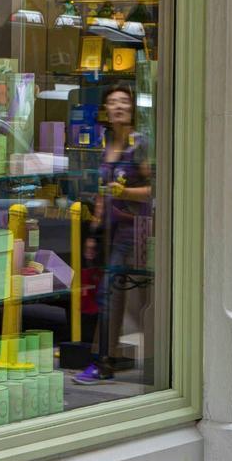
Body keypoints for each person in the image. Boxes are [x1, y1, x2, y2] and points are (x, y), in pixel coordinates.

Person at [73, 83, 153, 384]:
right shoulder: (107, 143)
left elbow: (155, 189)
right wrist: (93, 233)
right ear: (105, 110)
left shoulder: (139, 144)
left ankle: (104, 362)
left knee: (111, 292)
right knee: (110, 294)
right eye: (112, 102)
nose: (118, 106)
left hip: (133, 230)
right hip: (110, 230)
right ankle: (109, 357)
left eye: (123, 101)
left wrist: (126, 192)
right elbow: (102, 193)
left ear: (132, 108)